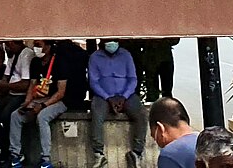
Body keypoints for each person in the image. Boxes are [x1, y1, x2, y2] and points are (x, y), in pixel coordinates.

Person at [10, 40, 76, 168]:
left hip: (57, 100)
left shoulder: (60, 62)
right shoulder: (35, 62)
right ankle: (15, 155)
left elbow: (61, 92)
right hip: (38, 99)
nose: (35, 48)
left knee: (43, 117)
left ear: (48, 46)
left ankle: (45, 158)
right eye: (35, 45)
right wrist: (27, 102)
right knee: (15, 116)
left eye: (39, 45)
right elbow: (32, 85)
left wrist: (43, 106)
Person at [87, 40, 146, 168]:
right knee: (96, 113)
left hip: (126, 95)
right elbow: (94, 82)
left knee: (141, 114)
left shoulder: (126, 55)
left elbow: (132, 79)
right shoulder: (95, 57)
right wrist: (108, 98)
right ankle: (99, 154)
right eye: (108, 41)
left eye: (114, 41)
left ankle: (137, 153)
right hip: (103, 96)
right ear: (102, 42)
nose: (111, 44)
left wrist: (124, 96)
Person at [0, 41, 34, 165]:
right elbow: (6, 77)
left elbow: (25, 84)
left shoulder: (26, 55)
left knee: (6, 116)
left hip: (21, 94)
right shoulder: (12, 57)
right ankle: (5, 148)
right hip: (9, 92)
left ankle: (14, 152)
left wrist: (5, 85)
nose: (7, 47)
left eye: (9, 44)